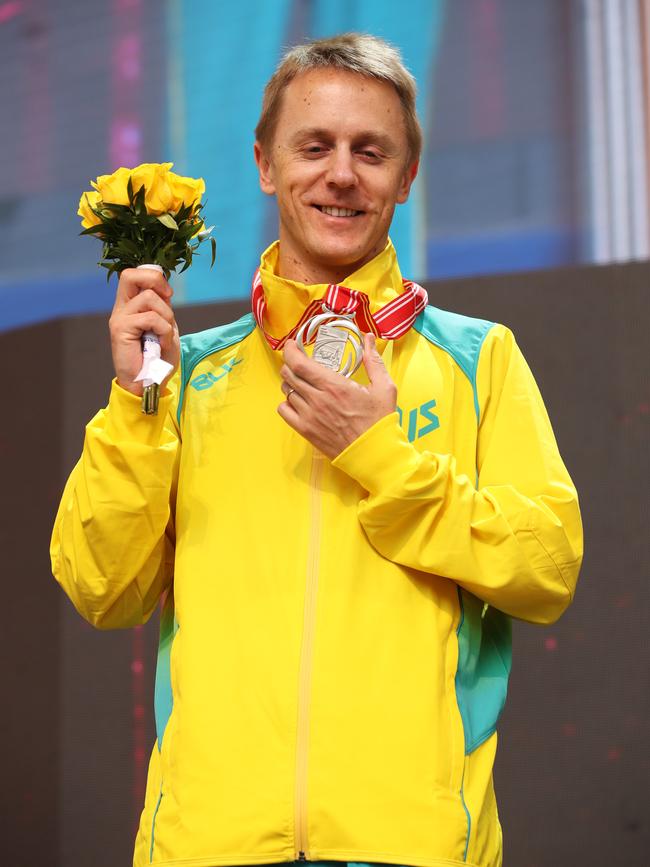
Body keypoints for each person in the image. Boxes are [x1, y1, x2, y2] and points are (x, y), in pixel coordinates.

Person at [51, 33, 583, 867]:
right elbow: (100, 587)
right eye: (315, 146)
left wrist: (380, 454)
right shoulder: (181, 376)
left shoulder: (479, 360)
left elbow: (547, 566)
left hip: (411, 848)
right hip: (211, 848)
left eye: (371, 151)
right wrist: (135, 400)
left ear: (407, 177)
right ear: (265, 164)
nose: (342, 174)